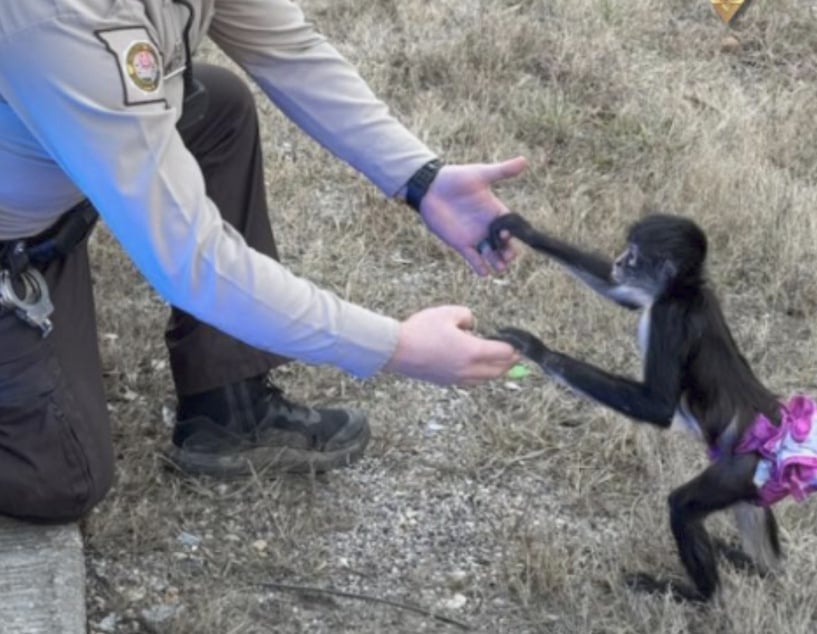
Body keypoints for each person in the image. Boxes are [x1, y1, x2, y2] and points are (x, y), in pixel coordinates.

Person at [0, 1, 523, 523]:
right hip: (16, 229)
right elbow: (196, 264)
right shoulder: (57, 18)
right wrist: (397, 347)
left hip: (44, 177)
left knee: (217, 108)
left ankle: (230, 406)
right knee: (61, 476)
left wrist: (420, 178)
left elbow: (288, 49)